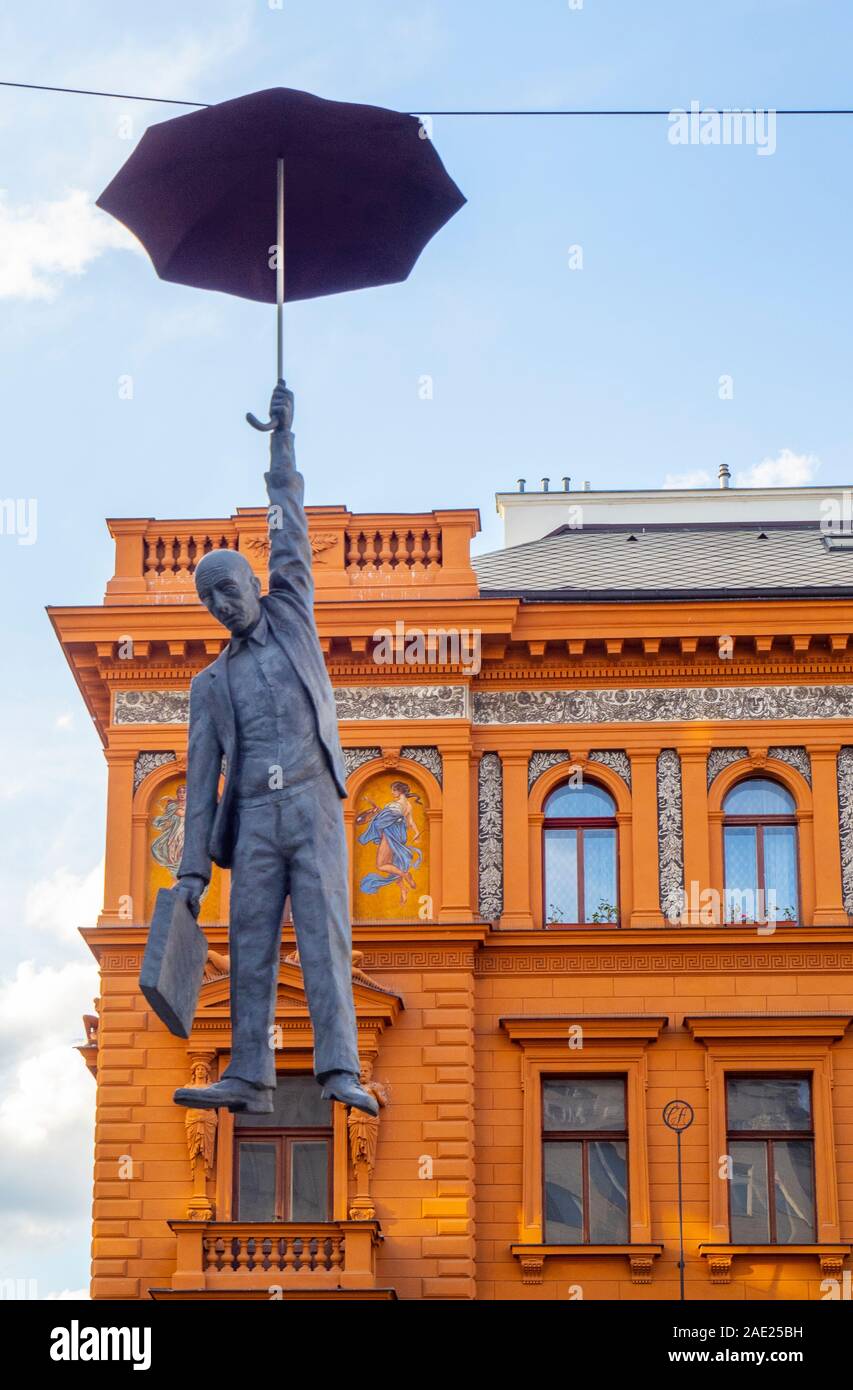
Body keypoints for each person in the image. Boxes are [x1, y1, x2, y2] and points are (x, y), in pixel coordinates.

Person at [171, 381, 377, 1117]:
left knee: (324, 935)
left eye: (227, 589)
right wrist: (193, 872)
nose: (221, 605)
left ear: (255, 583)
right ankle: (248, 1076)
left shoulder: (292, 614)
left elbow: (289, 524)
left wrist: (280, 444)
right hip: (253, 818)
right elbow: (200, 786)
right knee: (248, 947)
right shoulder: (209, 684)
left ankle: (339, 1072)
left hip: (314, 803)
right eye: (208, 601)